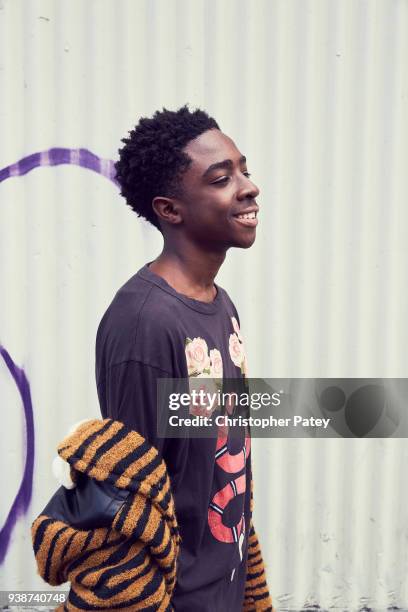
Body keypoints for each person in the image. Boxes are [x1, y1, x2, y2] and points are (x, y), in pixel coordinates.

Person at [95, 105, 272, 611]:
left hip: (226, 582)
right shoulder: (144, 326)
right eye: (221, 178)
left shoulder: (219, 303)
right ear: (169, 210)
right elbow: (129, 500)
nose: (248, 187)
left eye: (244, 169)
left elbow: (218, 459)